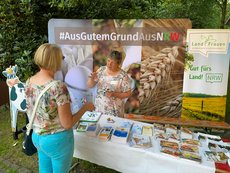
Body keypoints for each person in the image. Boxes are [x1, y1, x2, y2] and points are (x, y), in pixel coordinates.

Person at [24, 43, 95, 173]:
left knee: (45, 170)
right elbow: (67, 124)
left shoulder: (29, 81)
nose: (63, 60)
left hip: (37, 137)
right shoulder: (58, 87)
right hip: (57, 141)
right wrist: (85, 108)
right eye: (61, 57)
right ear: (54, 60)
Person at [87, 50, 132, 117]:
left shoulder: (123, 76)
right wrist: (91, 78)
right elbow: (90, 85)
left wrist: (114, 94)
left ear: (118, 64)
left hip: (115, 112)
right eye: (108, 61)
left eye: (112, 62)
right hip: (99, 109)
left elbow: (128, 94)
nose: (109, 64)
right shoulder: (101, 70)